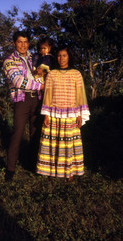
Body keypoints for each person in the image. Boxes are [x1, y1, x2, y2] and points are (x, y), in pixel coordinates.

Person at [36, 45, 90, 181]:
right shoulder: (52, 74)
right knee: (53, 143)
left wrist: (79, 115)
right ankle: (52, 172)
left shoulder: (76, 74)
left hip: (70, 114)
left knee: (69, 144)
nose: (61, 58)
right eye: (59, 56)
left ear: (69, 57)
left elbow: (80, 95)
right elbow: (47, 95)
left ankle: (69, 172)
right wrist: (47, 115)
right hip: (54, 114)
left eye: (64, 55)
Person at [3, 31, 44, 181]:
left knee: (36, 133)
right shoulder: (9, 60)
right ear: (14, 43)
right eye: (19, 42)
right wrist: (41, 86)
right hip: (22, 99)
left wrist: (42, 77)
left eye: (26, 42)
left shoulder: (35, 58)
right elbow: (17, 81)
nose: (23, 45)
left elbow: (42, 73)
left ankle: (34, 166)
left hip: (37, 99)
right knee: (17, 133)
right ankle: (10, 170)